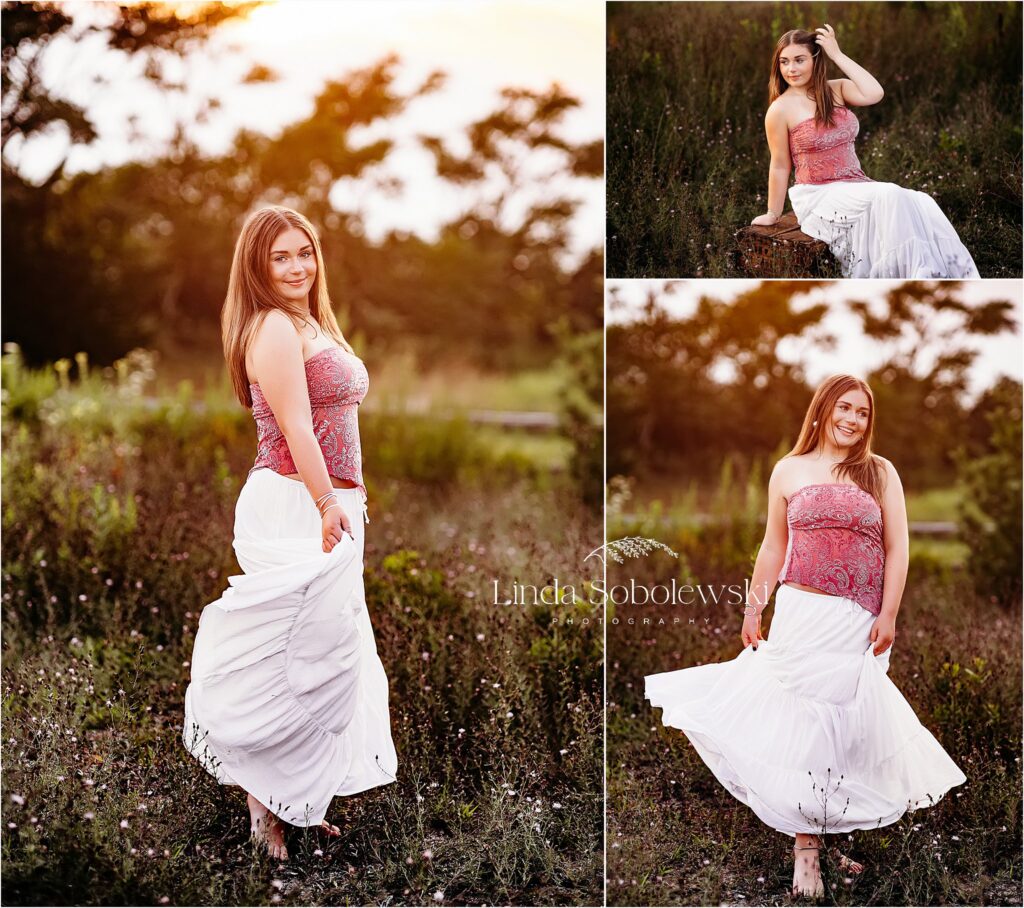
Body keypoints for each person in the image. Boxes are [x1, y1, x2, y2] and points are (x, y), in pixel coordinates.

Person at [645, 374, 966, 898]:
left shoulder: (880, 473)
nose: (852, 420)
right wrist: (754, 607)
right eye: (844, 408)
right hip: (801, 612)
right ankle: (806, 855)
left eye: (862, 413)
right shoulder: (789, 470)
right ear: (822, 410)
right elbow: (774, 546)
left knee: (846, 730)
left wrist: (889, 613)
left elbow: (898, 548)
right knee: (807, 725)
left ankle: (826, 832)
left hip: (856, 620)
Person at [182, 205, 398, 861]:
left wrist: (347, 496)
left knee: (328, 659)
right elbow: (298, 428)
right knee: (292, 659)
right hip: (293, 500)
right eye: (281, 257)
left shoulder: (309, 319)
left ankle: (296, 801)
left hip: (329, 500)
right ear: (257, 265)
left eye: (305, 252)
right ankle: (264, 813)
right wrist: (328, 499)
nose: (297, 266)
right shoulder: (272, 326)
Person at [749, 25, 979, 278]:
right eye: (784, 62)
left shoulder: (836, 89)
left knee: (922, 202)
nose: (791, 69)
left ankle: (939, 279)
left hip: (855, 184)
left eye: (799, 60)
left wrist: (837, 55)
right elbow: (780, 164)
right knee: (890, 194)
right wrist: (773, 213)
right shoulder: (780, 109)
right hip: (818, 193)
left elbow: (875, 93)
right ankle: (911, 278)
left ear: (816, 60)